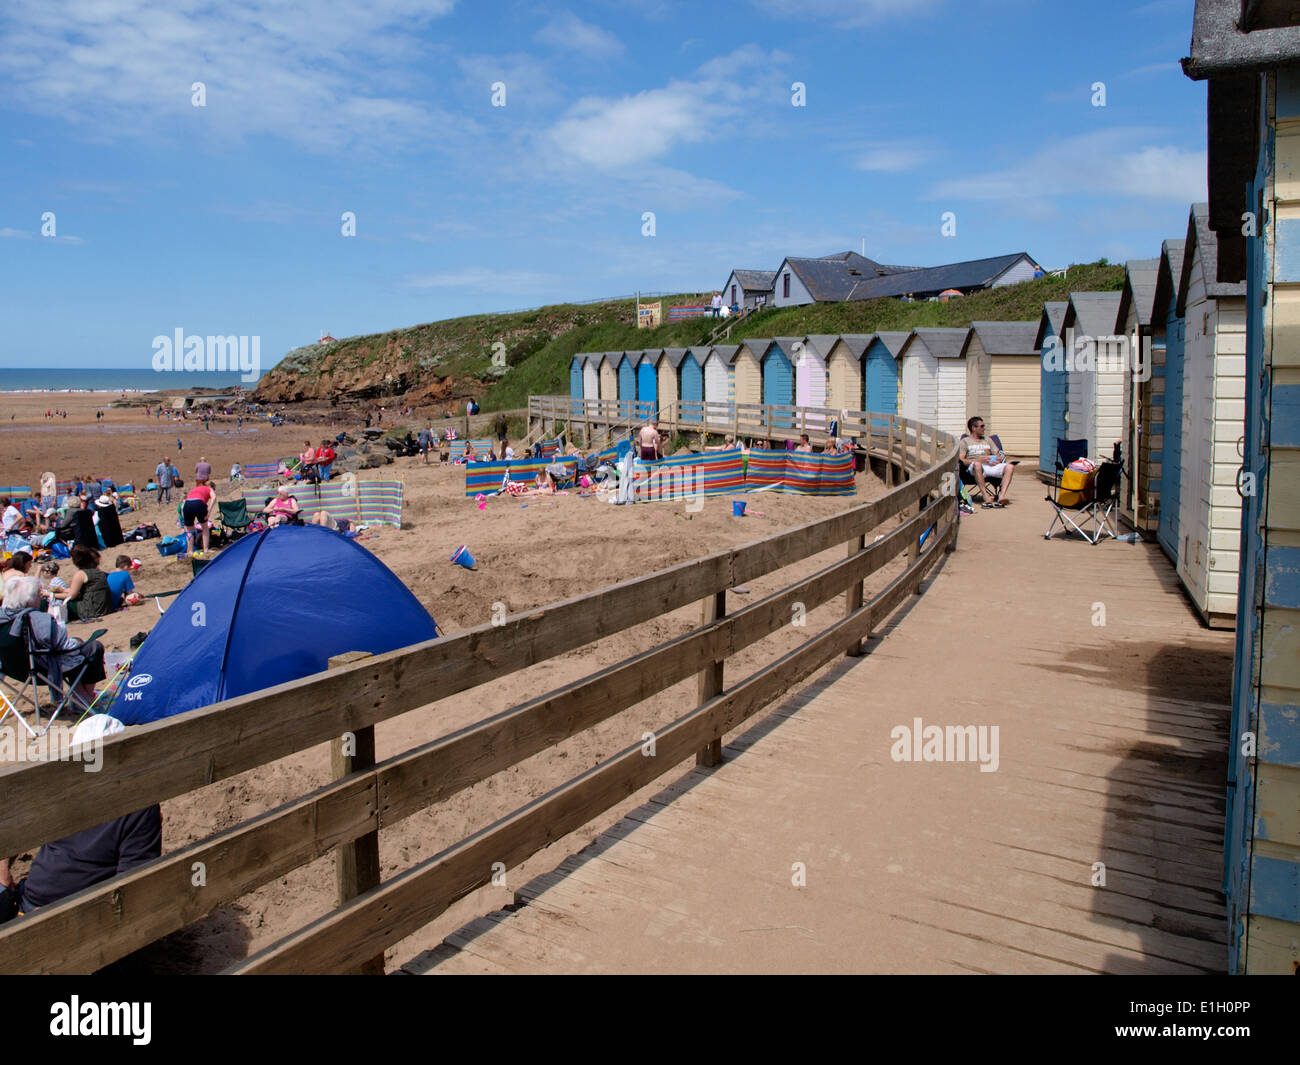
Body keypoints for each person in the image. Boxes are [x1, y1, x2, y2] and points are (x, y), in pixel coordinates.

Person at [0, 714, 160, 923]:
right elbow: (15, 828)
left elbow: (131, 887)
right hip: (28, 901)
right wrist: (2, 869)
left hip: (80, 918)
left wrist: (65, 914)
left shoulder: (137, 807)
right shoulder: (63, 789)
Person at [959, 415, 1015, 507]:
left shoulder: (988, 440)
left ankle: (1002, 496)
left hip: (990, 466)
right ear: (973, 428)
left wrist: (996, 459)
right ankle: (985, 496)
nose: (984, 428)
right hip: (974, 468)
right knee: (977, 464)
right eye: (981, 426)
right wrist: (979, 460)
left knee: (1010, 466)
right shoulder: (965, 441)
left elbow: (998, 455)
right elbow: (962, 460)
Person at [53, 545, 113, 620]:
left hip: (91, 610)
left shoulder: (80, 574)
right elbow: (84, 590)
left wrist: (51, 595)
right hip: (105, 608)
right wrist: (63, 590)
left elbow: (71, 596)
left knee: (62, 604)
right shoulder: (98, 572)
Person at [182, 481, 218, 553]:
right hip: (198, 503)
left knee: (189, 530)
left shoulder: (195, 489)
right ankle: (206, 549)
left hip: (187, 504)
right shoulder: (209, 489)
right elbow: (214, 497)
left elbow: (183, 504)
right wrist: (209, 511)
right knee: (205, 528)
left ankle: (190, 551)